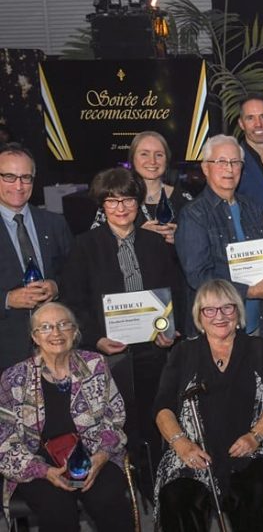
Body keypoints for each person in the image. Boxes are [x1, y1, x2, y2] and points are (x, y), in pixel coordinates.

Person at [60, 167, 181, 498]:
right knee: (116, 427)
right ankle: (119, 491)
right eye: (112, 201)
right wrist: (95, 337)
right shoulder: (85, 245)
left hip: (153, 350)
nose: (122, 208)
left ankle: (156, 487)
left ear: (138, 201)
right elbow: (74, 301)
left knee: (154, 421)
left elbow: (174, 291)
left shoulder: (156, 243)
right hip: (107, 356)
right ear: (102, 205)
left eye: (128, 199)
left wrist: (171, 330)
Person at [154, 279, 263, 531]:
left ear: (238, 312)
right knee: (177, 498)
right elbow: (162, 407)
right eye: (210, 310)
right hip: (192, 453)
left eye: (228, 308)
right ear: (199, 316)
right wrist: (181, 444)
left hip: (251, 450)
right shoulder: (182, 353)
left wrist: (255, 436)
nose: (220, 316)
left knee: (255, 493)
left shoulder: (260, 348)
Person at [0, 302, 133, 532]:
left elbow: (115, 416)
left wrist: (101, 457)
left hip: (94, 452)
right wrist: (44, 471)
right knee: (57, 510)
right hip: (37, 461)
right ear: (35, 337)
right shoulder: (14, 378)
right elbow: (5, 439)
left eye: (63, 325)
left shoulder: (95, 364)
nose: (56, 333)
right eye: (46, 327)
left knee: (108, 502)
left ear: (75, 331)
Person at [176, 134, 263, 338]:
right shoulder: (193, 215)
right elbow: (198, 277)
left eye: (235, 162)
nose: (229, 168)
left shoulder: (252, 207)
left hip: (258, 326)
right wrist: (249, 291)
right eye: (221, 161)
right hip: (219, 332)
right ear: (205, 168)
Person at [0, 143, 72, 371]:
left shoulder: (54, 223)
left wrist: (56, 286)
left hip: (57, 350)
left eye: (26, 177)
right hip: (6, 353)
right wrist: (7, 300)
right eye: (9, 177)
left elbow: (76, 276)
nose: (19, 186)